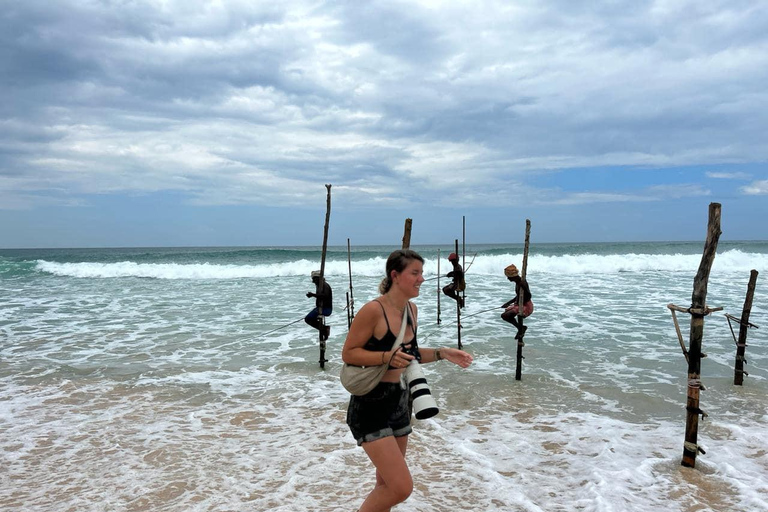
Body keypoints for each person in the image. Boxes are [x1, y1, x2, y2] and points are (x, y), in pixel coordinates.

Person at [342, 249, 473, 512]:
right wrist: (385, 357)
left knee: (386, 485)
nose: (421, 279)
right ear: (395, 275)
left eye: (422, 273)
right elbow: (349, 353)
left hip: (400, 401)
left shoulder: (411, 310)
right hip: (370, 404)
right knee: (401, 488)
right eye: (415, 273)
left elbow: (409, 355)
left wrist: (441, 353)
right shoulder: (373, 310)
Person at [500, 264, 533, 339]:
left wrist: (524, 288)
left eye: (508, 277)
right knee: (504, 315)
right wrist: (508, 303)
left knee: (506, 315)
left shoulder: (522, 283)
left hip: (525, 306)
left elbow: (529, 296)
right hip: (518, 304)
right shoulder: (517, 283)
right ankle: (520, 328)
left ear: (513, 276)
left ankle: (521, 328)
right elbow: (518, 296)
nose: (508, 278)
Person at [305, 270, 332, 340]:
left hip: (326, 309)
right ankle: (323, 329)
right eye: (313, 279)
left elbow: (325, 296)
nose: (314, 281)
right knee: (309, 319)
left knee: (308, 319)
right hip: (320, 308)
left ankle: (324, 329)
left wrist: (313, 295)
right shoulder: (319, 285)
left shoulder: (324, 285)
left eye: (315, 279)